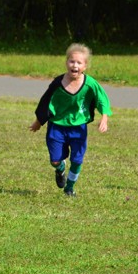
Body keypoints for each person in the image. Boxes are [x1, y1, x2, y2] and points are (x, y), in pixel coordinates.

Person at [29, 43, 111, 197]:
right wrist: (38, 122)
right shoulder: (58, 83)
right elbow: (46, 102)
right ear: (66, 63)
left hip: (78, 127)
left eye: (79, 62)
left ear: (85, 66)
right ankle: (60, 168)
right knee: (54, 160)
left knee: (77, 160)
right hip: (57, 126)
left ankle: (69, 188)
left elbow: (102, 100)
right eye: (72, 61)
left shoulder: (90, 84)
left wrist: (104, 118)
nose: (75, 65)